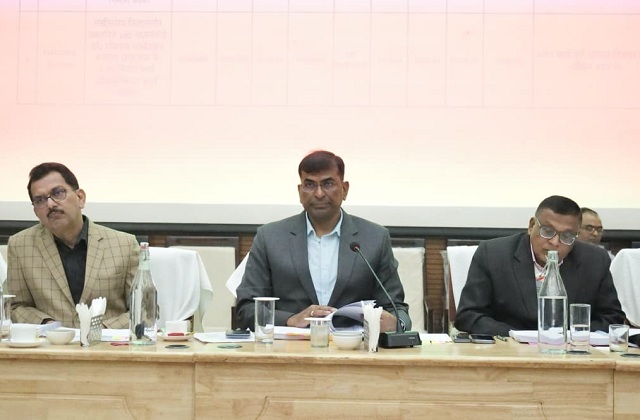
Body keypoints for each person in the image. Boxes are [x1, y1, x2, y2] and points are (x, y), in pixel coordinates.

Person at [235, 150, 411, 332]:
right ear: (300, 191)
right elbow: (246, 310)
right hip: (290, 347)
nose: (319, 194)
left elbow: (396, 309)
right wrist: (290, 319)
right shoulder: (270, 238)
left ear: (344, 189)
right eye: (310, 185)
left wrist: (397, 323)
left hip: (353, 346)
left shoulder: (375, 238)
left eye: (328, 184)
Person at [454, 195, 624, 336]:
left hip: (569, 352)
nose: (555, 242)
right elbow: (468, 316)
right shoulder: (493, 254)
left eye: (566, 236)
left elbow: (612, 318)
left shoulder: (594, 260)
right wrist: (518, 337)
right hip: (510, 351)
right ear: (531, 226)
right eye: (547, 231)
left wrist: (567, 336)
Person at [6, 162, 139, 328]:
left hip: (108, 342)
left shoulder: (125, 245)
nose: (50, 204)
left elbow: (144, 309)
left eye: (58, 193)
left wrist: (101, 331)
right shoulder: (20, 246)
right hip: (50, 342)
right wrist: (47, 325)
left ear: (80, 198)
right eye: (40, 200)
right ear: (35, 211)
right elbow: (15, 306)